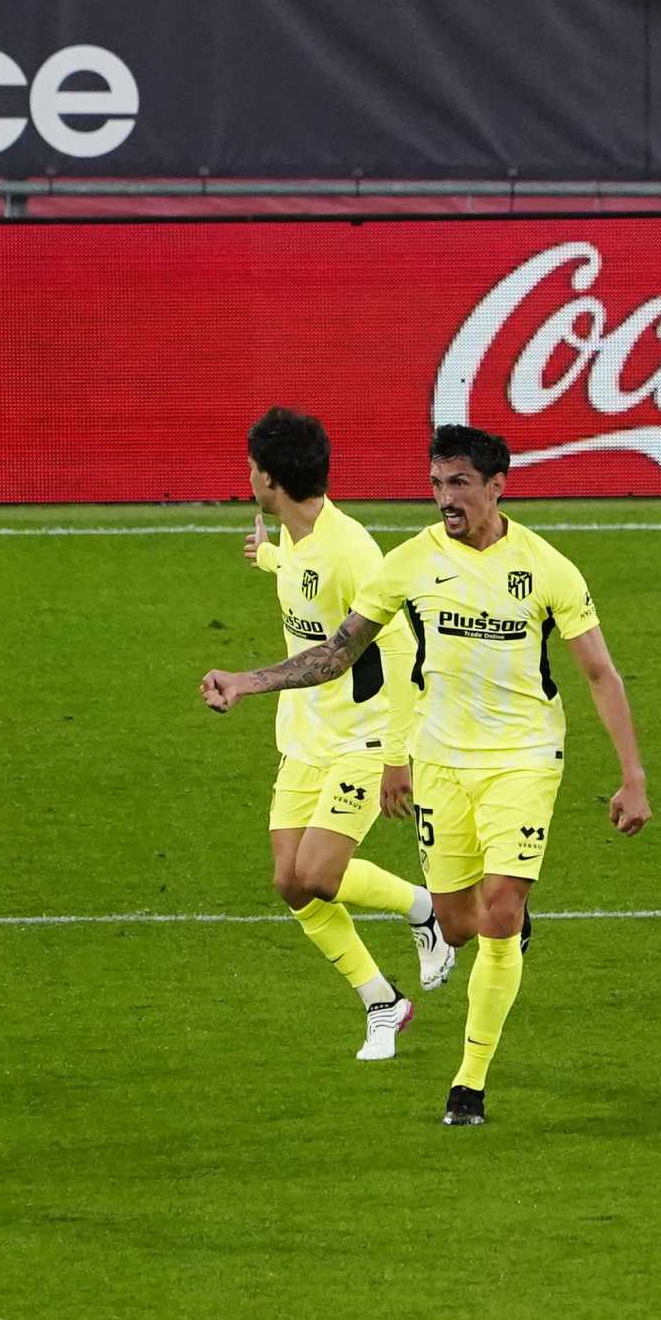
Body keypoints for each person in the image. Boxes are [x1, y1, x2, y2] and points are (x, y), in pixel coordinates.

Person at [202, 425, 650, 1128]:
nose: (446, 498)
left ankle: (468, 1083)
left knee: (497, 916)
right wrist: (249, 681)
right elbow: (337, 652)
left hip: (525, 760)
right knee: (459, 922)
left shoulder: (548, 568)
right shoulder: (409, 563)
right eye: (437, 484)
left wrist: (633, 775)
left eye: (460, 485)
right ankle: (489, 922)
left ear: (498, 486)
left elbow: (599, 672)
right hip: (443, 761)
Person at [236, 409, 451, 1061]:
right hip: (303, 737)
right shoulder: (294, 535)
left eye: (253, 469)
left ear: (272, 481)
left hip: (361, 738)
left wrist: (395, 757)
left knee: (320, 874)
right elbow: (307, 587)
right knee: (289, 882)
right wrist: (272, 556)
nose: (248, 476)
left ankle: (425, 907)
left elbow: (404, 649)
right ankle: (382, 1001)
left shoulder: (354, 552)